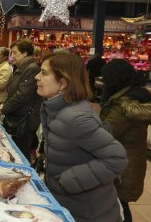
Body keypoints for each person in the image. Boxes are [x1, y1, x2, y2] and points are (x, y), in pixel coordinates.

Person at [35, 52, 128, 222]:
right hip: (69, 206)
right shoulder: (55, 109)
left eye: (44, 73)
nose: (37, 77)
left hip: (89, 213)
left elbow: (117, 158)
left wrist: (70, 180)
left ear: (63, 83)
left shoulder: (75, 118)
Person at [99, 59, 151, 222]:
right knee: (119, 204)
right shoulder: (136, 95)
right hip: (130, 161)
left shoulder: (123, 106)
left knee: (119, 206)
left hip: (122, 167)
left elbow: (104, 134)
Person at [0, 39, 40, 162]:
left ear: (25, 53)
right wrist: (3, 102)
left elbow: (22, 95)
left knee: (21, 153)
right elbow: (11, 90)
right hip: (16, 115)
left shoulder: (31, 69)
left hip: (23, 118)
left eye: (15, 53)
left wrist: (4, 108)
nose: (12, 56)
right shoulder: (19, 68)